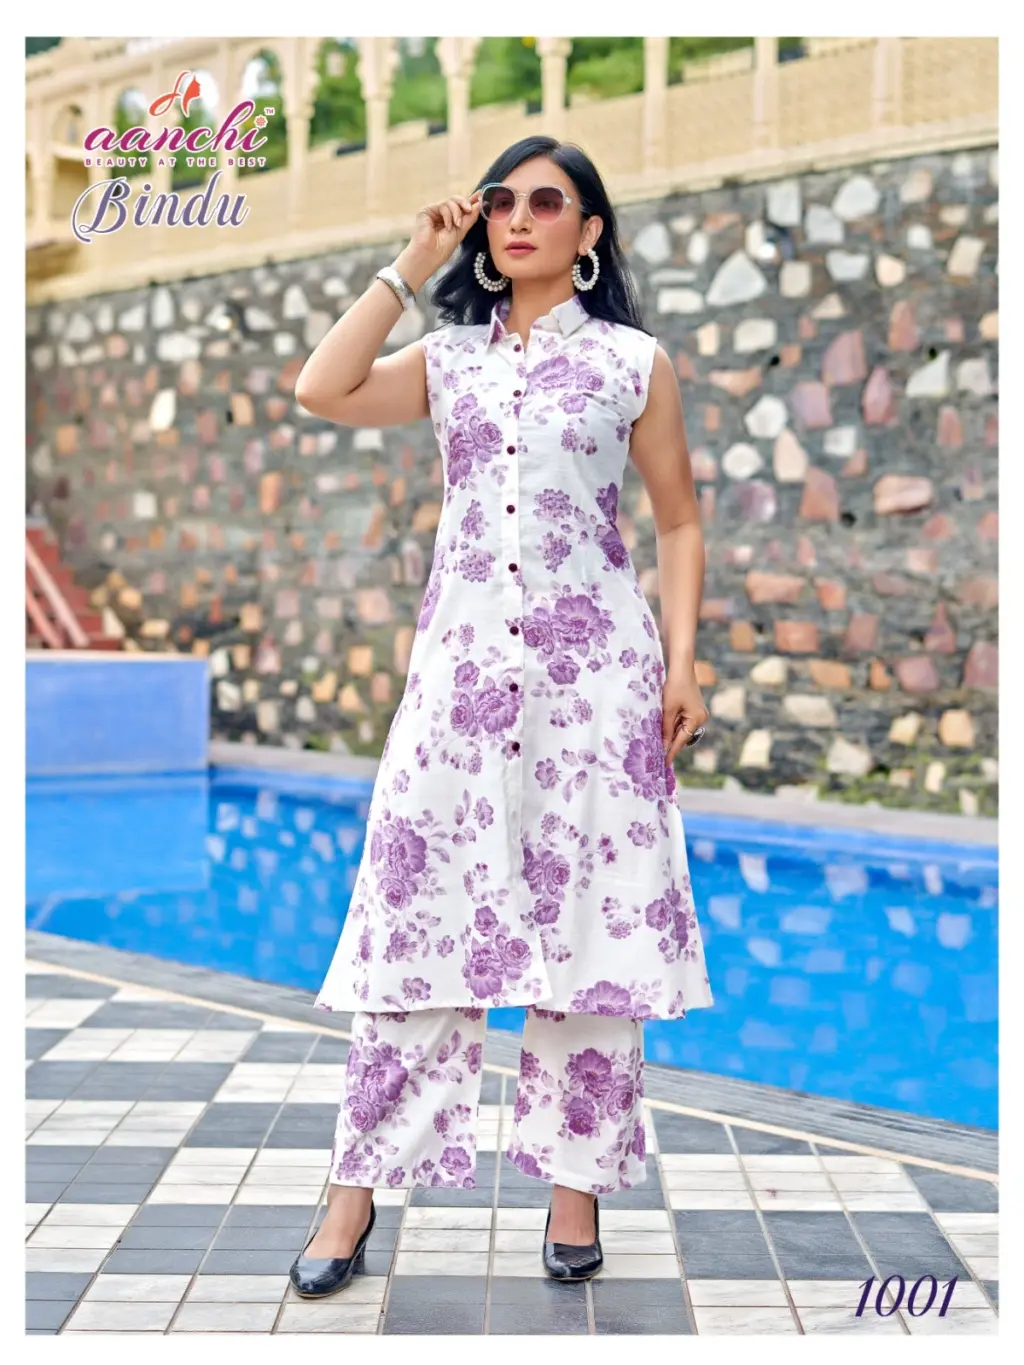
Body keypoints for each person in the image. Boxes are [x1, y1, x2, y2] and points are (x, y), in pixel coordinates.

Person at [288, 134, 714, 1297]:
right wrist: (409, 264)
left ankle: (575, 1191)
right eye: (502, 203)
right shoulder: (448, 360)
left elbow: (677, 519)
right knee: (415, 919)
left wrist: (681, 664)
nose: (519, 219)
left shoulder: (632, 362)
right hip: (460, 684)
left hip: (596, 688)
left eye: (547, 201)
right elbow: (321, 388)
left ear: (589, 231)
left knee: (590, 934)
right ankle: (352, 1194)